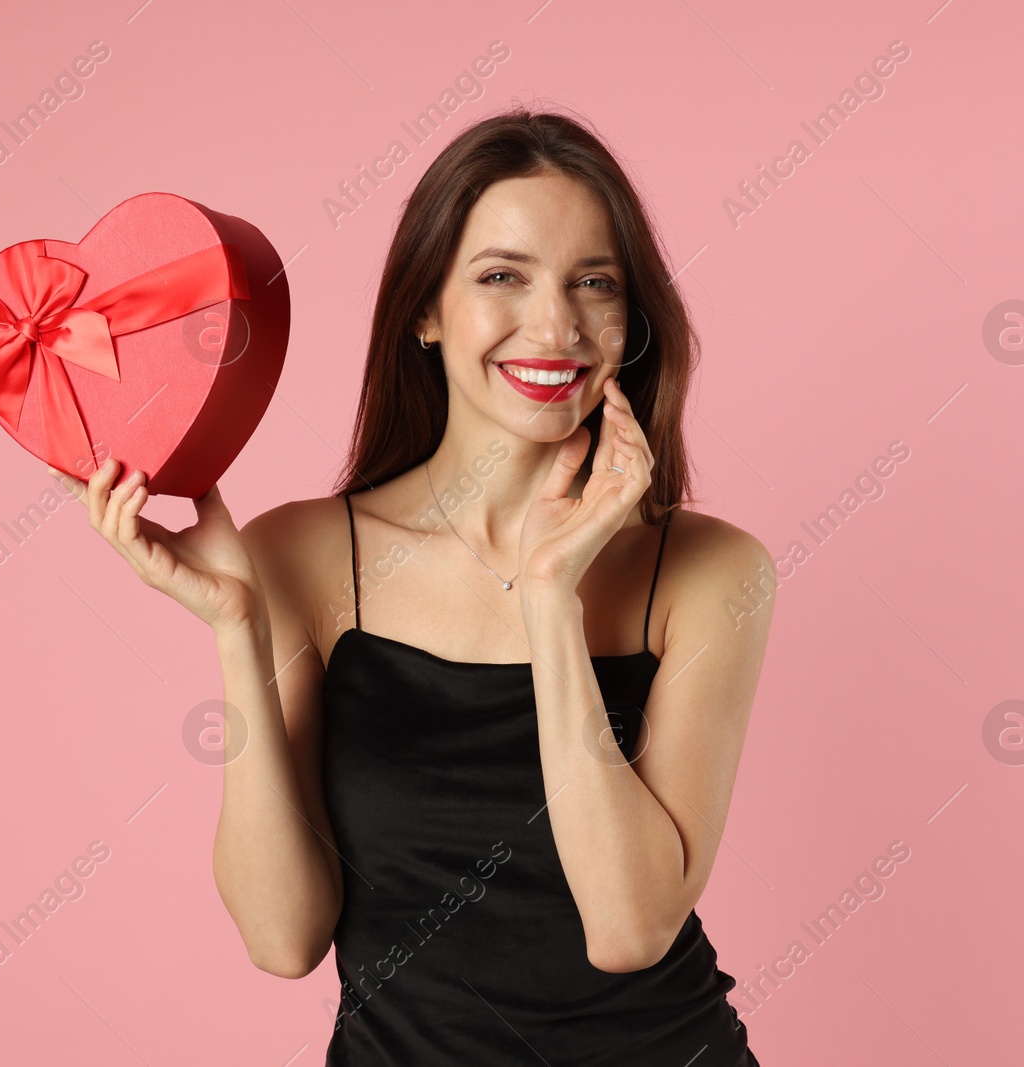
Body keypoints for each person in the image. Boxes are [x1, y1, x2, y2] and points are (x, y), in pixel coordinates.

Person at [51, 107, 774, 1066]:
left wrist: (551, 596)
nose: (555, 325)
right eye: (502, 277)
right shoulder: (308, 556)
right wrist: (237, 629)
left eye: (592, 282)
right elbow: (282, 939)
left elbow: (629, 928)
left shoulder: (711, 572)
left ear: (631, 319)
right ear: (425, 312)